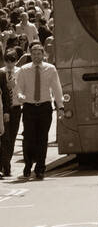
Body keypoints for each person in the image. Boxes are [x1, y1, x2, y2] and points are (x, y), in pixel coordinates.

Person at [15, 42, 63, 180]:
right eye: (34, 54)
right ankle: (28, 165)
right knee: (29, 138)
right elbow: (19, 88)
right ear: (30, 55)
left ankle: (40, 168)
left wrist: (60, 106)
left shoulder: (51, 69)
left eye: (39, 54)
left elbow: (57, 89)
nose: (36, 57)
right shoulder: (24, 70)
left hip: (44, 107)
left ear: (43, 54)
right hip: (29, 107)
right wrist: (20, 96)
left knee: (42, 138)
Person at [0, 48, 21, 175]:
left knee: (12, 138)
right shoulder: (1, 73)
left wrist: (15, 84)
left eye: (12, 61)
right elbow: (4, 94)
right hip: (4, 109)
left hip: (17, 107)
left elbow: (24, 88)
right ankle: (5, 166)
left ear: (16, 61)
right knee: (5, 138)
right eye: (7, 61)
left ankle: (6, 164)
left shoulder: (21, 72)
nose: (9, 64)